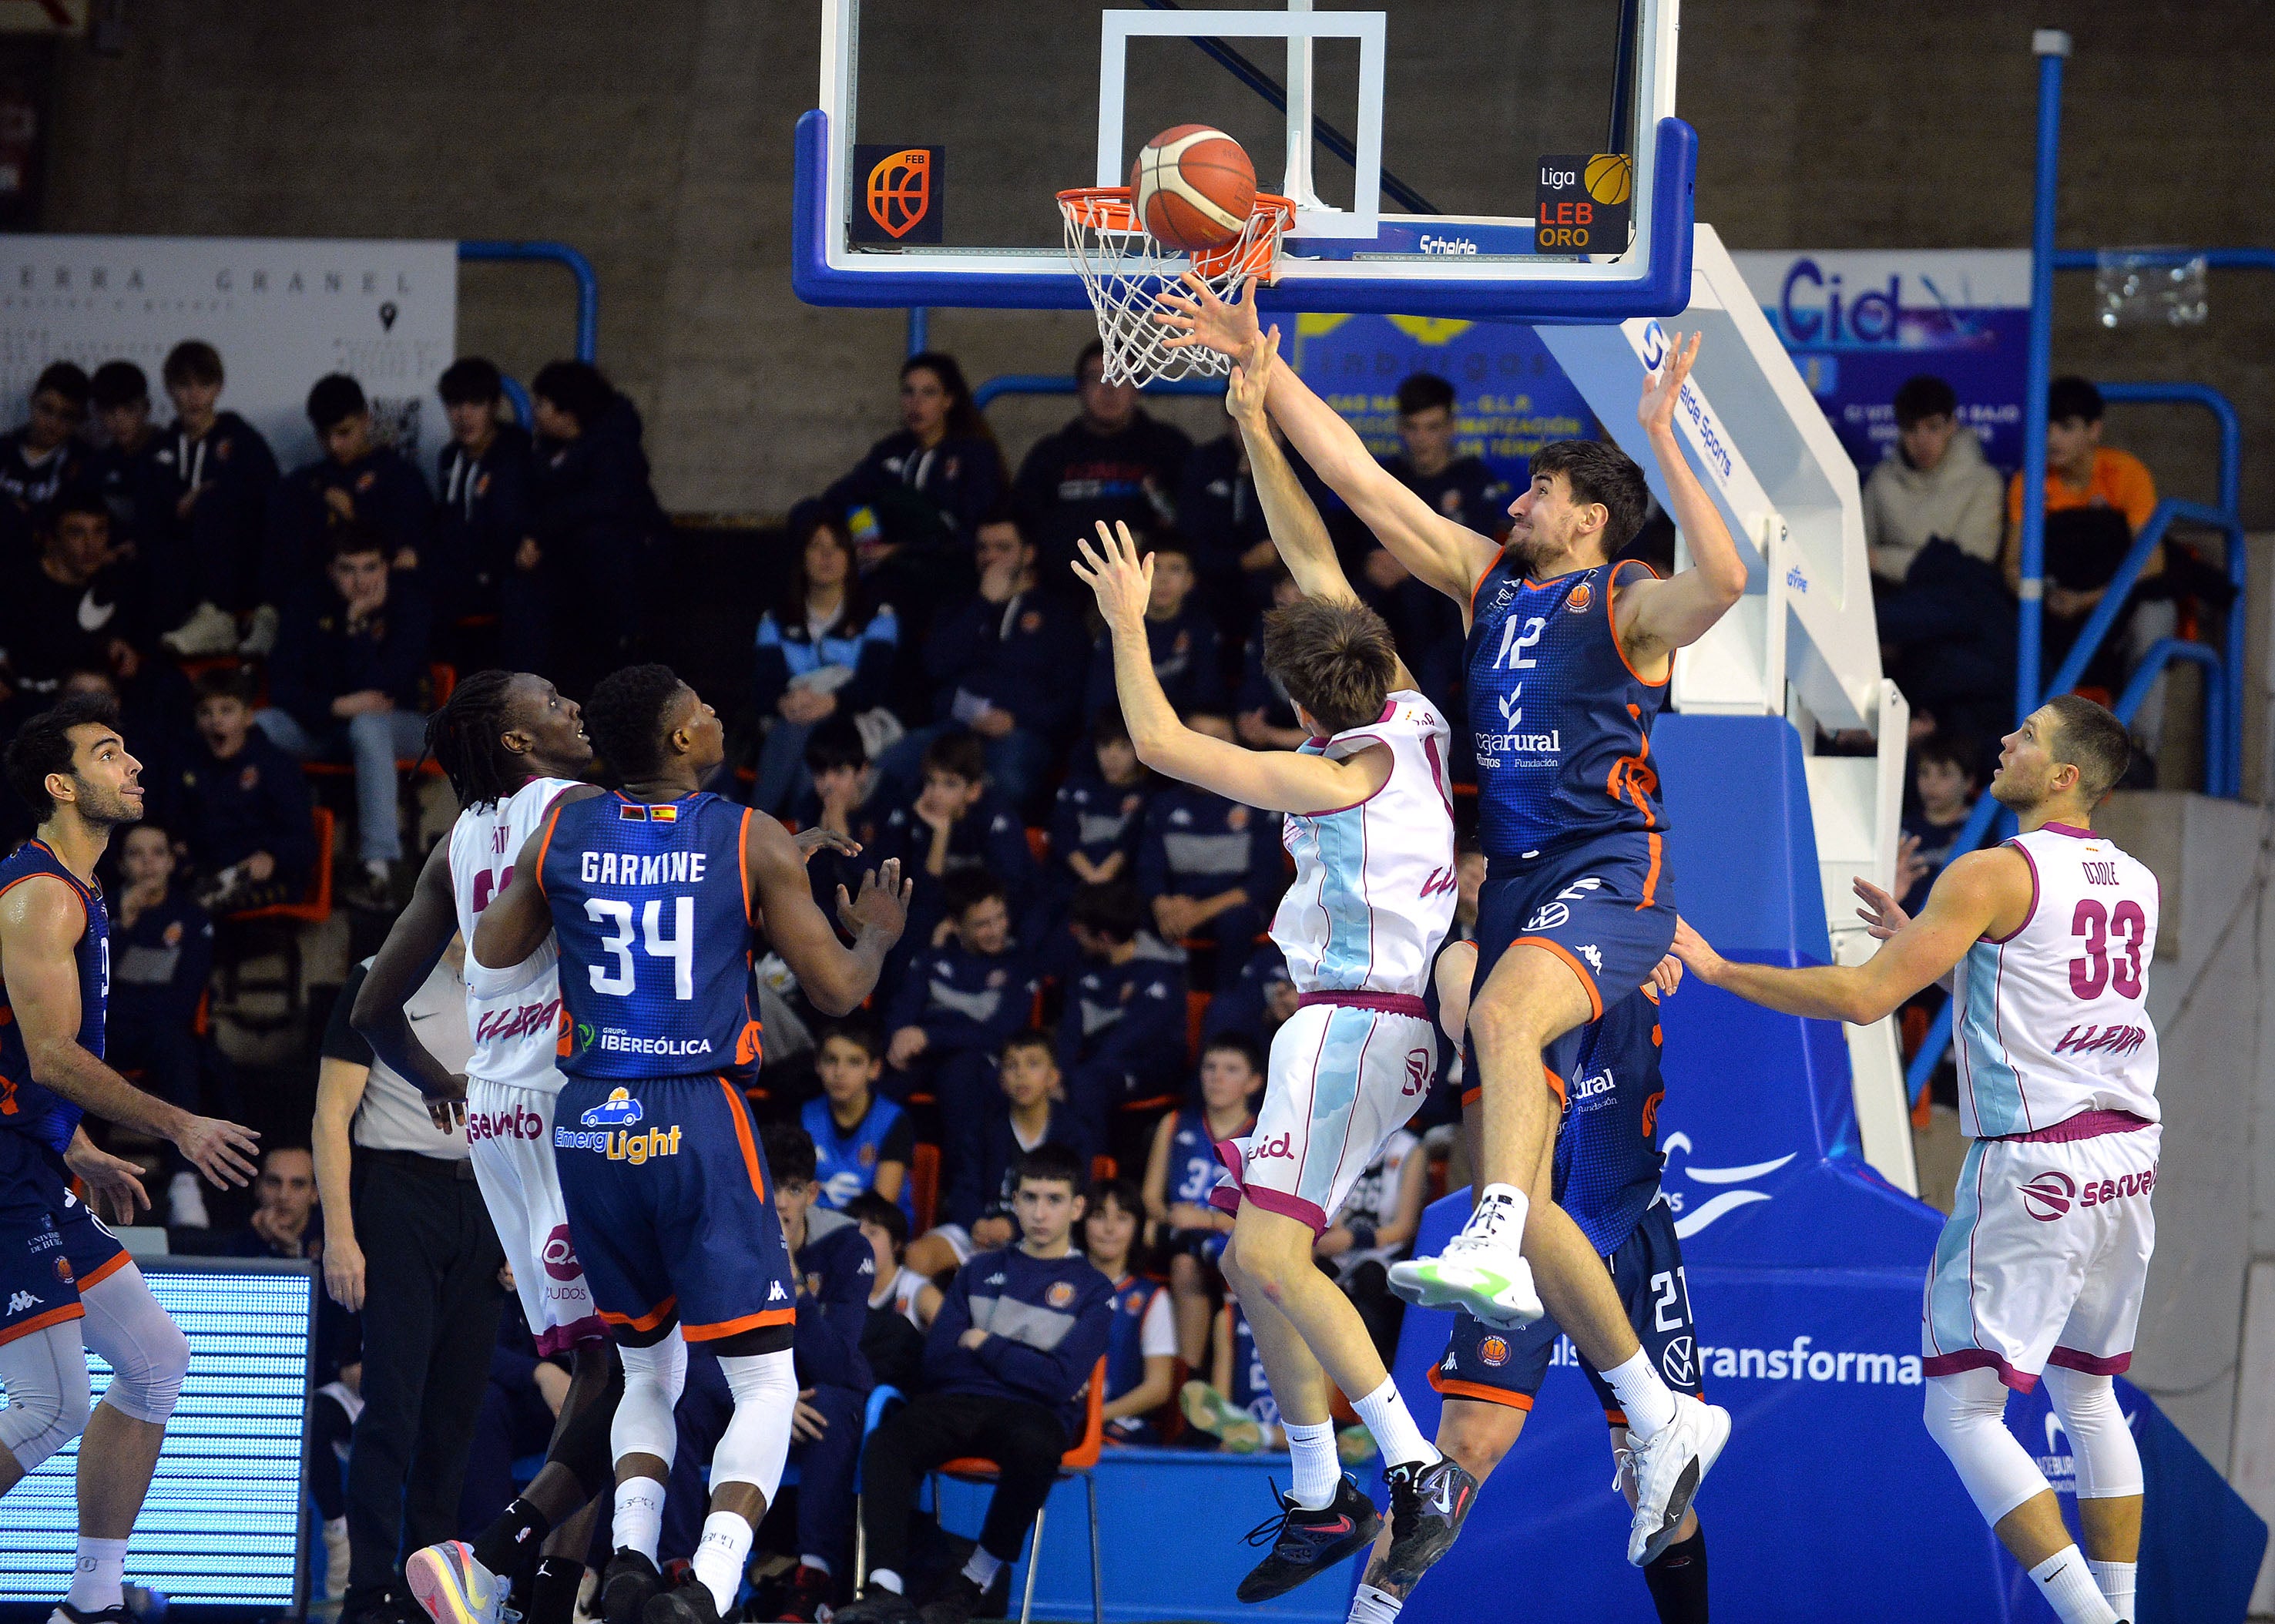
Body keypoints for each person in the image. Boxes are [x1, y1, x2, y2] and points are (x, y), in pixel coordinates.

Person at [1159, 294, 1742, 1565]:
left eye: (1535, 490)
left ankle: (1454, 1326)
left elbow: (1732, 577)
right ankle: (1656, 1411)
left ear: (1586, 515)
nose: (1512, 503)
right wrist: (1262, 363)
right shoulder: (1487, 588)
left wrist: (1665, 434)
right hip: (1525, 880)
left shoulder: (1626, 602)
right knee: (1527, 1183)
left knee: (1491, 1013)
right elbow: (1362, 491)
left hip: (1613, 869)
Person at [1670, 695, 2153, 1624]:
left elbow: (1859, 1001)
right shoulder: (2132, 875)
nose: (2003, 740)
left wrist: (1725, 971)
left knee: (1961, 1411)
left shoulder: (1989, 872)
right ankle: (2123, 1611)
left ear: (2062, 776)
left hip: (2036, 1162)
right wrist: (1930, 943)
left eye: (2026, 737)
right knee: (2088, 1393)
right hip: (2128, 1158)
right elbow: (2038, 979)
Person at [1077, 492, 1466, 1598]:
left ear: (1300, 699)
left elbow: (1156, 741)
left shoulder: (1335, 774)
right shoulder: (1413, 713)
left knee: (1261, 1257)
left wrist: (1124, 619)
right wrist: (1254, 410)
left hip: (1350, 1026)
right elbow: (1317, 557)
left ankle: (1409, 1467)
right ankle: (1315, 1494)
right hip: (1367, 1033)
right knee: (1261, 1261)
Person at [472, 662, 909, 1624]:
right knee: (764, 1377)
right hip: (695, 1114)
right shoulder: (746, 835)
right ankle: (706, 1585)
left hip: (589, 1119)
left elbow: (496, 950)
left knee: (644, 1364)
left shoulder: (564, 829)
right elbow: (837, 990)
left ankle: (628, 1560)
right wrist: (872, 935)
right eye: (703, 709)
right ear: (680, 741)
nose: (717, 715)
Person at [349, 669, 621, 1624]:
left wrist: (441, 1085)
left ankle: (539, 1600)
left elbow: (371, 1008)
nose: (574, 708)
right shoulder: (579, 804)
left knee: (603, 1367)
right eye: (552, 702)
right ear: (512, 739)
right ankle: (496, 1560)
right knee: (633, 1363)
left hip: (498, 1120)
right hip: (576, 1112)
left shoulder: (457, 842)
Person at [1345, 948, 1709, 1624]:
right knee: (1464, 1451)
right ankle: (1367, 1619)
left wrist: (1651, 943)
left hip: (1626, 1219)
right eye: (1482, 866)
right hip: (1523, 1229)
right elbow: (1464, 1012)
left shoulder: (1630, 922)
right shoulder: (1471, 958)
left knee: (1656, 1478)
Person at [0, 694, 255, 1624]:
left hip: (32, 1157)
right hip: (1, 1176)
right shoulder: (35, 891)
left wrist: (80, 1144)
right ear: (60, 785)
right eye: (109, 753)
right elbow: (51, 1054)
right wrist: (180, 1124)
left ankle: (91, 1602)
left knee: (153, 1358)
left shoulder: (82, 889)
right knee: (47, 1406)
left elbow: (15, 1061)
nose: (135, 765)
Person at [834, 1144, 1115, 1624]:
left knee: (1037, 1447)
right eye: (1030, 1197)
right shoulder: (977, 1270)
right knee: (888, 1442)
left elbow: (1061, 1379)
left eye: (1053, 1199)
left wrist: (984, 1343)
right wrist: (1026, 1360)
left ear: (1077, 1207)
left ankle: (973, 1582)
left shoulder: (1093, 1290)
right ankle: (884, 1588)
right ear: (1015, 1202)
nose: (1040, 1211)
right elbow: (939, 1361)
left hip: (1032, 1416)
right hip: (957, 1400)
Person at [314, 941, 502, 1624]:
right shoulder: (380, 973)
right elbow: (332, 1114)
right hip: (399, 1195)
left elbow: (540, 1111)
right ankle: (367, 1595)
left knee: (454, 1417)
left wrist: (531, 1227)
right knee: (391, 1407)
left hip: (488, 1198)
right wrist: (340, 1235)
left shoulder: (518, 977)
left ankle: (433, 1597)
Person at [666, 1122, 877, 1624]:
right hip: (740, 1396)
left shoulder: (848, 1248)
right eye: (769, 1184)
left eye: (793, 1188)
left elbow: (843, 1365)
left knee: (834, 1402)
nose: (779, 1201)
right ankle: (673, 1568)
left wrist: (793, 1287)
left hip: (811, 1406)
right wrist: (764, 1399)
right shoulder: (717, 1240)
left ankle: (813, 1580)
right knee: (676, 1402)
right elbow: (695, 1353)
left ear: (813, 1193)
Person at [257, 525, 435, 907]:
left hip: (402, 727)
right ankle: (258, 847)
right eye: (348, 570)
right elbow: (283, 685)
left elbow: (385, 688)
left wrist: (356, 625)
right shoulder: (308, 602)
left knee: (368, 724)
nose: (360, 581)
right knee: (260, 726)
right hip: (327, 724)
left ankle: (377, 864)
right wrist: (334, 706)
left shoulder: (408, 603)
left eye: (370, 568)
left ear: (387, 567)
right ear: (330, 571)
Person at [2002, 376, 2171, 750]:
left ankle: (2140, 750)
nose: (2052, 438)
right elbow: (2012, 565)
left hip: (2115, 601)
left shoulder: (2126, 473)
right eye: (2045, 427)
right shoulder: (2028, 481)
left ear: (2094, 430)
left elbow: (2154, 562)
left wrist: (2089, 599)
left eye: (2066, 427)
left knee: (2154, 623)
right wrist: (2040, 595)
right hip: (2054, 603)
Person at [882, 513, 1089, 814]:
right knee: (890, 770)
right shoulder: (961, 607)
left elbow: (1069, 697)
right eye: (983, 548)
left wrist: (1015, 719)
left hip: (1019, 733)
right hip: (955, 729)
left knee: (1005, 783)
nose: (990, 556)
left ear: (1028, 554)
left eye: (1003, 548)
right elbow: (935, 667)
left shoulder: (1059, 617)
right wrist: (983, 604)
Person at [105, 821, 223, 1228]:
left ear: (172, 862)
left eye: (158, 852)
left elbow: (183, 1002)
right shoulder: (100, 912)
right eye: (136, 854)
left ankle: (184, 1182)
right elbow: (90, 991)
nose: (148, 863)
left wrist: (129, 1002)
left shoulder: (191, 918)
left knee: (178, 1045)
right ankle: (77, 1187)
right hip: (106, 1036)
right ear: (121, 863)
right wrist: (123, 924)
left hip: (160, 1035)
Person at [907, 1029, 1094, 1280]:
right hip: (981, 1231)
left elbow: (1072, 1201)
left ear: (1053, 1077)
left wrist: (1013, 1228)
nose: (1021, 1074)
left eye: (1033, 1064)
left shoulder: (1072, 1132)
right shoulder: (983, 1125)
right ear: (1001, 1080)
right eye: (1011, 1066)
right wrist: (976, 1223)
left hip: (1043, 1237)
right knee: (918, 1256)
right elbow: (964, 1187)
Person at [752, 510, 901, 817]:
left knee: (809, 733)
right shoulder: (776, 619)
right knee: (801, 728)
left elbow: (874, 688)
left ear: (850, 557)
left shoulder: (876, 615)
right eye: (817, 547)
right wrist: (785, 702)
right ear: (802, 557)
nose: (826, 556)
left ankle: (753, 827)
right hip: (791, 719)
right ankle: (801, 835)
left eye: (837, 547)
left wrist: (831, 702)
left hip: (858, 721)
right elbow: (764, 689)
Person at [528, 361, 665, 686]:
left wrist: (542, 533)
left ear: (567, 413)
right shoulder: (548, 450)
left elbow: (600, 506)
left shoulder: (614, 451)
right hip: (573, 589)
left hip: (617, 589)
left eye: (542, 404)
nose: (534, 412)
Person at [146, 341, 282, 659]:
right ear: (170, 389)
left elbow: (271, 496)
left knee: (215, 504)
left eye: (204, 385)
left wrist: (209, 492)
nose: (194, 397)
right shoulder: (159, 448)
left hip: (239, 560)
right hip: (180, 561)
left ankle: (229, 616)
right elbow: (152, 512)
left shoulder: (241, 438)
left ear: (218, 388)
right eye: (184, 386)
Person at [1012, 341, 1190, 579]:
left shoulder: (1171, 448)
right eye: (1097, 378)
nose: (1109, 388)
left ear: (1137, 387)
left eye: (1121, 376)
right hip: (1063, 588)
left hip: (1149, 589)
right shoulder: (1050, 454)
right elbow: (1023, 524)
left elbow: (1194, 526)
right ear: (1080, 388)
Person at [882, 871, 1036, 1135]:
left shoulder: (1019, 965)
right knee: (870, 1089)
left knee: (961, 1075)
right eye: (983, 924)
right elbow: (902, 1013)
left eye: (1000, 918)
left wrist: (929, 1036)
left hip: (976, 1061)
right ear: (954, 924)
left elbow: (1001, 1034)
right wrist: (897, 1040)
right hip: (922, 1057)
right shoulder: (930, 960)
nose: (997, 930)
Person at [1140, 1033, 1259, 1367]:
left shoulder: (1264, 1134)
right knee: (1179, 1256)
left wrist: (1207, 1220)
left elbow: (1265, 1209)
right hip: (1180, 1236)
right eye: (1210, 1067)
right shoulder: (1175, 1123)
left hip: (1233, 1237)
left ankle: (1226, 1377)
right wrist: (1170, 1215)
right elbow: (1150, 1196)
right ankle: (1185, 1376)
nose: (1217, 1078)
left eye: (1231, 1070)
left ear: (1253, 1082)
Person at [163, 666, 318, 915]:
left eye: (227, 710)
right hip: (205, 871)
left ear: (248, 716)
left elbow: (302, 841)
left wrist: (272, 858)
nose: (216, 720)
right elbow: (175, 822)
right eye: (206, 712)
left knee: (190, 908)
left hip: (268, 877)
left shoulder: (276, 766)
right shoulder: (187, 764)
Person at [824, 351, 1005, 562]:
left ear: (948, 400)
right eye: (909, 392)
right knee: (809, 513)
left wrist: (901, 551)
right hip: (886, 564)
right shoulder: (892, 449)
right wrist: (867, 535)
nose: (916, 403)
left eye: (928, 393)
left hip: (945, 568)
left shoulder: (975, 455)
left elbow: (974, 533)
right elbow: (843, 495)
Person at [869, 732, 1038, 954]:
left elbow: (1010, 889)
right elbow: (925, 892)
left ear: (973, 791)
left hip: (997, 911)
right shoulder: (924, 814)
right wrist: (940, 833)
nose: (935, 794)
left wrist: (967, 922)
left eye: (949, 784)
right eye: (930, 781)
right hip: (949, 908)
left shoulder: (995, 818)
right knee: (911, 925)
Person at [270, 373, 438, 596]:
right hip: (310, 606)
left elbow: (410, 555)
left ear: (365, 419)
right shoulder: (303, 482)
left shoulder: (400, 478)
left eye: (344, 432)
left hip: (379, 603)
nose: (334, 445)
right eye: (324, 436)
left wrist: (352, 516)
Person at [1055, 881, 1186, 1145]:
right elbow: (1069, 1030)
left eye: (1080, 932)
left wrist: (1069, 1080)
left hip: (1149, 1068)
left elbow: (1129, 1042)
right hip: (1097, 1066)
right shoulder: (1083, 967)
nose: (1075, 937)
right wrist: (1054, 1073)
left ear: (1104, 938)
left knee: (1085, 1085)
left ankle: (1090, 1173)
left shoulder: (1160, 973)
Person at [0, 492, 146, 713]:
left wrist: (122, 647)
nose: (91, 545)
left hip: (94, 708)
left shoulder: (116, 583)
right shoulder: (17, 586)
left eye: (99, 531)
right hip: (28, 708)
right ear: (52, 539)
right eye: (77, 533)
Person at [432, 358, 538, 646]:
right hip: (458, 576)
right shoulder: (450, 457)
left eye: (475, 404)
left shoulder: (517, 454)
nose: (463, 416)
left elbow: (515, 524)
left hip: (504, 576)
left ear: (493, 406)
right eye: (454, 405)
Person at [1864, 374, 2003, 585]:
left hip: (1955, 605)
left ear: (1952, 426)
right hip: (1888, 601)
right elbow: (1857, 556)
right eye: (1911, 429)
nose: (1922, 441)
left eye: (1933, 427)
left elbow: (1972, 562)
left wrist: (1880, 560)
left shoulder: (1984, 482)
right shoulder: (1881, 480)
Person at [1081, 534, 1227, 725]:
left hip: (1184, 732)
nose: (1163, 580)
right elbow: (1099, 700)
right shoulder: (1118, 625)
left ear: (1190, 581)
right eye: (1155, 568)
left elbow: (1208, 697)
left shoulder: (1201, 627)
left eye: (1175, 569)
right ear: (1139, 576)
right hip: (1128, 733)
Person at [1317, 1121, 1428, 1363]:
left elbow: (1405, 1228)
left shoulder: (1410, 1149)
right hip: (1337, 1248)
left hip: (1385, 1252)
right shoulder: (1337, 1142)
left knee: (1370, 1276)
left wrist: (1353, 1238)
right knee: (1315, 1274)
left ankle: (1370, 1371)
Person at [1080, 1176, 1176, 1444]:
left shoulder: (1151, 1297)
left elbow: (1159, 1388)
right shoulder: (1059, 1286)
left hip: (1120, 1425)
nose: (1109, 1228)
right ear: (1081, 1220)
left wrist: (1096, 1416)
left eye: (1122, 1217)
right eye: (1099, 1216)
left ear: (1138, 1228)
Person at [803, 1025, 916, 1217]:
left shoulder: (893, 1120)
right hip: (815, 1230)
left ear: (875, 1069)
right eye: (831, 1060)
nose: (839, 1072)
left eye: (854, 1062)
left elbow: (881, 1210)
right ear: (818, 1065)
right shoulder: (804, 1115)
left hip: (871, 1232)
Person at [0, 361, 90, 531]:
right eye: (46, 409)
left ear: (80, 419)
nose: (52, 423)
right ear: (33, 400)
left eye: (66, 416)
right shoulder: (5, 448)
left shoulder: (83, 463)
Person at [1899, 733, 1980, 916]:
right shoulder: (1901, 828)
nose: (1932, 783)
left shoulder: (1980, 829)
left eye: (1944, 774)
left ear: (1969, 782)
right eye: (1924, 772)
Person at [216, 1145, 322, 1259]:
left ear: (315, 1193)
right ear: (258, 1187)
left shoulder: (334, 1241)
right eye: (274, 1182)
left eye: (297, 1185)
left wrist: (292, 1251)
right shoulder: (234, 1245)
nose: (283, 1196)